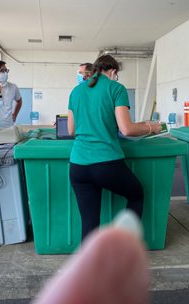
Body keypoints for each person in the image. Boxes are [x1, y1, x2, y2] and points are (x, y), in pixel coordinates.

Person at [68, 54, 162, 240]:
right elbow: (126, 129)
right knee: (136, 195)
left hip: (78, 166)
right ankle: (124, 248)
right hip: (106, 163)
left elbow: (71, 130)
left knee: (89, 222)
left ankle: (90, 265)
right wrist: (151, 127)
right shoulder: (116, 88)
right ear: (113, 71)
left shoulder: (76, 91)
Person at [34, 210, 149, 304]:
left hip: (77, 181)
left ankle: (88, 263)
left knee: (89, 223)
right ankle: (132, 241)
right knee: (136, 193)